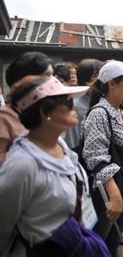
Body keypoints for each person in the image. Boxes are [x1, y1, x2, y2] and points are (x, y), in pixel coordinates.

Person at [0, 76, 110, 256]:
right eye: (67, 101)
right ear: (45, 112)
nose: (73, 105)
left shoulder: (60, 145)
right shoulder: (22, 165)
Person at [81, 60, 123, 257]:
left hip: (120, 187)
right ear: (111, 84)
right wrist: (114, 195)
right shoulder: (100, 113)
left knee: (112, 242)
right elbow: (95, 156)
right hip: (106, 193)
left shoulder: (121, 111)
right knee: (100, 244)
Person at [0, 51, 53, 164]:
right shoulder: (4, 117)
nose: (52, 81)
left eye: (52, 75)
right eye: (46, 76)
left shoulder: (44, 112)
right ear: (23, 80)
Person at [63, 58, 104, 149]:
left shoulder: (104, 100)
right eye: (96, 76)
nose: (100, 80)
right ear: (85, 78)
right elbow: (73, 140)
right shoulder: (75, 104)